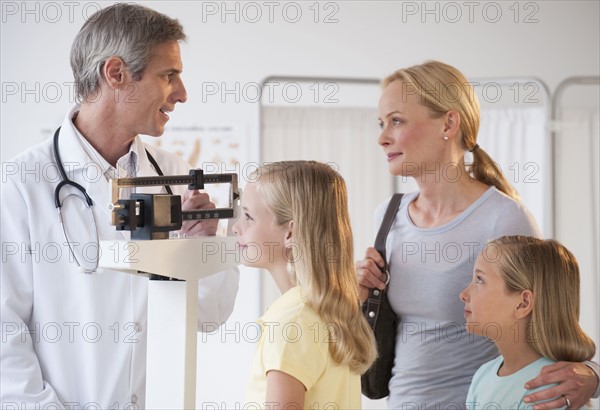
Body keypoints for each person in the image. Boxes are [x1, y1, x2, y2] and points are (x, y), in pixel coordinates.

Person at [0, 4, 238, 409]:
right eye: (169, 75)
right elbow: (6, 334)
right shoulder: (22, 184)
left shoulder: (175, 177)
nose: (182, 93)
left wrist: (203, 249)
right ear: (116, 75)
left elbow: (209, 317)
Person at [355, 60, 599, 408]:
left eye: (396, 121)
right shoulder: (387, 216)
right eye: (381, 124)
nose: (382, 138)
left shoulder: (502, 218)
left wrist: (593, 376)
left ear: (449, 123)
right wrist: (359, 294)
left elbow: (553, 323)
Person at [232, 161, 377, 409]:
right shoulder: (328, 311)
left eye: (248, 216)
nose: (236, 227)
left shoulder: (291, 322)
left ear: (290, 233)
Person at [461, 236, 596, 409]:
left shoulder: (549, 390)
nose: (463, 294)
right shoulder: (483, 376)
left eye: (479, 280)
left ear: (523, 303)